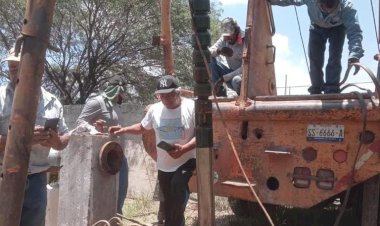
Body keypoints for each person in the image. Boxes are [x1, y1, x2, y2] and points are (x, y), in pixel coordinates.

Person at [109, 75, 196, 226]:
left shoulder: (192, 107)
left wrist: (185, 148)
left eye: (170, 95)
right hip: (164, 164)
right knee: (169, 202)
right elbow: (143, 127)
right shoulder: (154, 110)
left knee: (177, 188)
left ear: (178, 92)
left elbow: (203, 134)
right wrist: (123, 129)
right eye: (163, 96)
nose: (167, 99)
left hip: (187, 160)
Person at [0, 47, 70, 226]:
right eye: (11, 67)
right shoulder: (0, 97)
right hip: (4, 177)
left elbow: (64, 138)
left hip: (36, 180)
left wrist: (56, 141)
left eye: (19, 67)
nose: (13, 71)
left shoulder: (52, 102)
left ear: (38, 68)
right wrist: (22, 139)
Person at [269, 0, 364, 94]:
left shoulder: (347, 7)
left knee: (335, 57)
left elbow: (354, 31)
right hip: (316, 27)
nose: (327, 12)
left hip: (338, 28)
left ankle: (332, 89)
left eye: (331, 10)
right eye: (323, 8)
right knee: (314, 58)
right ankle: (316, 88)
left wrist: (355, 55)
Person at [76, 75, 129, 214]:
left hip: (119, 157)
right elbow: (80, 122)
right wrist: (94, 129)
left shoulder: (116, 105)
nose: (123, 95)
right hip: (103, 160)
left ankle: (116, 220)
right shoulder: (97, 102)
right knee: (104, 200)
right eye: (122, 91)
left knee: (119, 196)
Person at [209, 17, 244, 96]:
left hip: (241, 76)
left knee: (236, 80)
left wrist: (223, 78)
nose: (229, 38)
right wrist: (219, 51)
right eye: (227, 35)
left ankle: (242, 98)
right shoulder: (224, 38)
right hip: (229, 73)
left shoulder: (246, 40)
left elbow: (244, 67)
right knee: (210, 59)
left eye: (231, 35)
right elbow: (210, 51)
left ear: (237, 30)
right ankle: (219, 92)